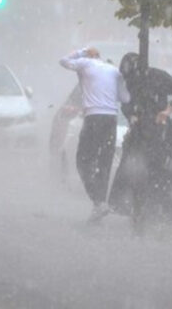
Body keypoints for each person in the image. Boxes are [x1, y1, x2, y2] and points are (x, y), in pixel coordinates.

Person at [112, 52, 172, 230]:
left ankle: (153, 210)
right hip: (140, 134)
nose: (129, 78)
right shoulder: (131, 81)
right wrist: (131, 116)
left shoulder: (158, 77)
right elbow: (125, 103)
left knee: (156, 172)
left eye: (130, 74)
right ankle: (138, 211)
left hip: (158, 133)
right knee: (136, 173)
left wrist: (167, 111)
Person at [60, 47, 130, 223]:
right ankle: (99, 204)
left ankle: (98, 202)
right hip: (111, 119)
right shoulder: (114, 71)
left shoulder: (85, 63)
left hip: (94, 118)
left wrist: (81, 52)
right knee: (104, 162)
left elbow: (63, 61)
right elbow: (125, 98)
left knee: (83, 160)